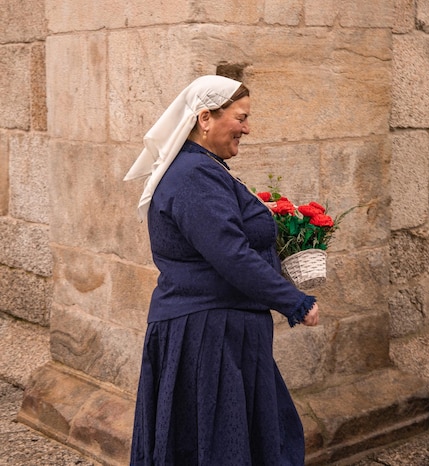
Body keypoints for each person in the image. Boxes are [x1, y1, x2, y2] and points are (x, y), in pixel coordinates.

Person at [124, 75, 319, 466]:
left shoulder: (204, 168)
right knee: (217, 445)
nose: (248, 128)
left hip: (218, 330)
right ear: (205, 118)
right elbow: (230, 253)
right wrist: (294, 302)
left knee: (234, 440)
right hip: (208, 335)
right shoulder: (194, 175)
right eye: (241, 117)